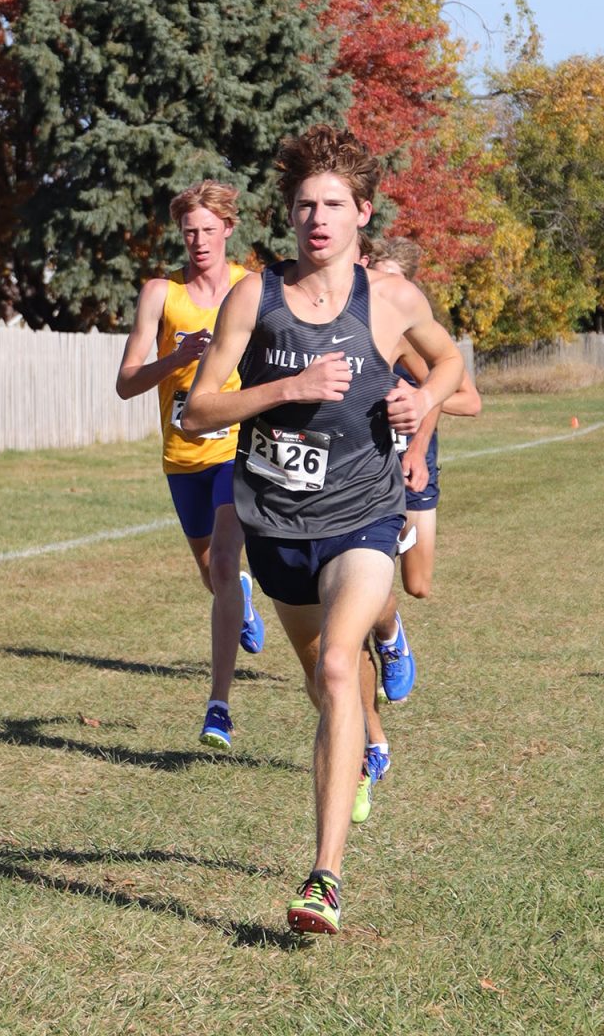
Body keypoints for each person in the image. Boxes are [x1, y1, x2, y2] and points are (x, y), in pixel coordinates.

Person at [181, 125, 464, 935]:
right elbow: (198, 408)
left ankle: (324, 878)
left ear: (361, 214)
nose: (317, 218)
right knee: (320, 680)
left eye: (333, 204)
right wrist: (285, 389)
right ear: (290, 213)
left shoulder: (392, 300)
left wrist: (423, 403)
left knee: (341, 666)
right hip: (276, 524)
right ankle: (362, 744)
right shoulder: (254, 298)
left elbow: (448, 363)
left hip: (363, 518)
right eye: (305, 204)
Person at [115, 181, 265, 752]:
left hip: (237, 450)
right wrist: (175, 358)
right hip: (183, 457)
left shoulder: (249, 288)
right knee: (214, 575)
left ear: (229, 229)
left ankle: (218, 707)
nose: (199, 241)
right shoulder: (161, 294)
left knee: (224, 565)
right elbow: (126, 383)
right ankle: (241, 596)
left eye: (208, 230)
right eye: (188, 232)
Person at [357, 237, 481, 806]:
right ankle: (384, 645)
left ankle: (393, 631)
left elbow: (468, 398)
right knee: (370, 576)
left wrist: (422, 396)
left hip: (415, 463)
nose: (377, 283)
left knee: (417, 583)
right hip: (369, 471)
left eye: (386, 275)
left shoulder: (409, 336)